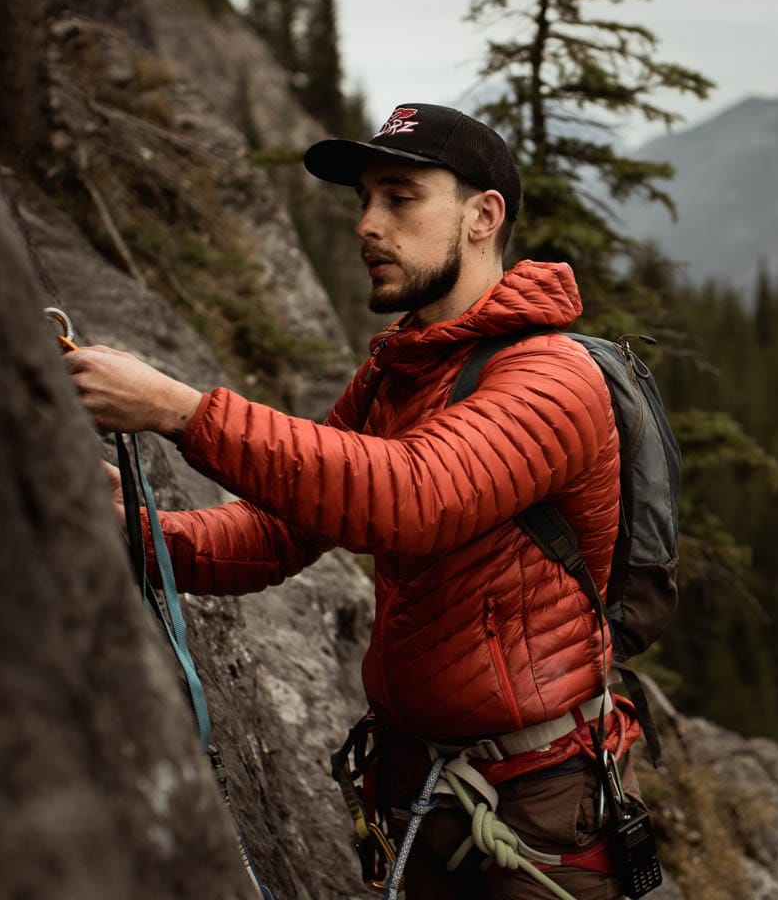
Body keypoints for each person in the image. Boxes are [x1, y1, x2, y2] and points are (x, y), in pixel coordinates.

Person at [66, 103, 639, 899]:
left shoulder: (550, 378)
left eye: (400, 198)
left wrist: (181, 411)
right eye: (364, 200)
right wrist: (137, 532)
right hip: (426, 793)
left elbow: (410, 496)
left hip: (538, 809)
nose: (368, 225)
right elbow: (280, 533)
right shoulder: (401, 370)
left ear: (484, 216)